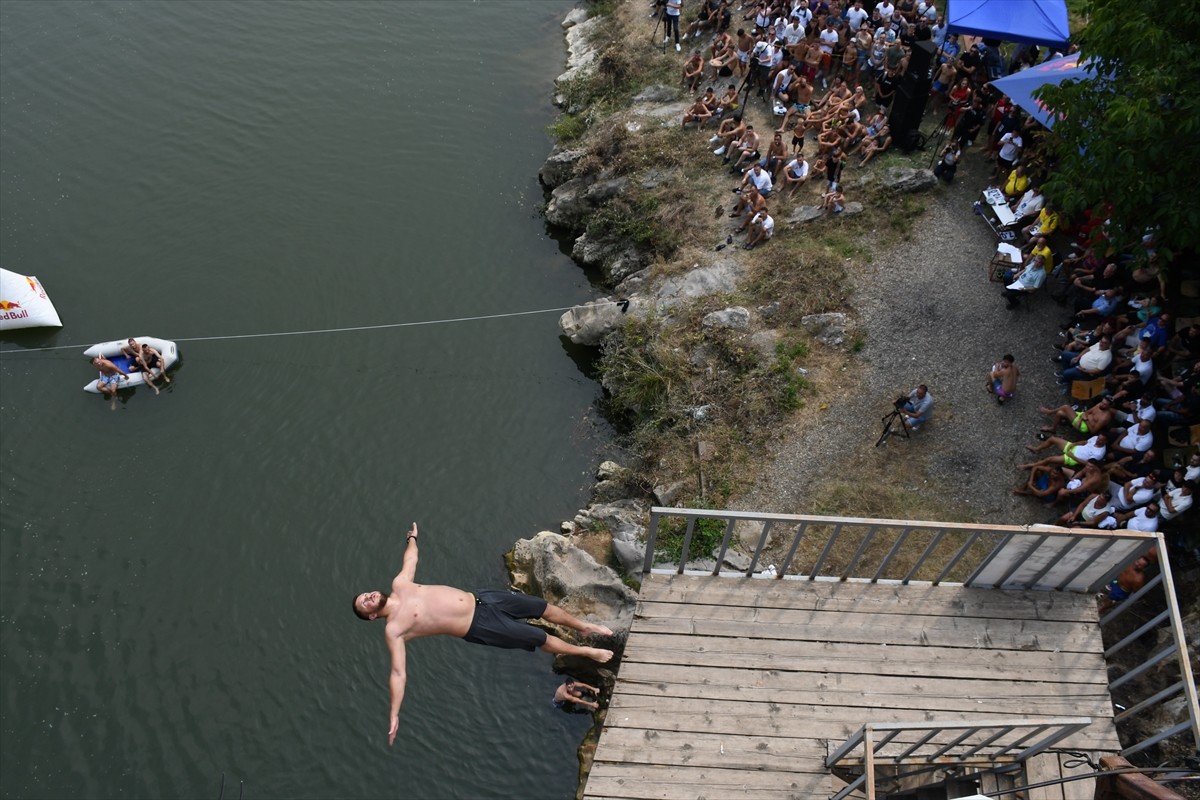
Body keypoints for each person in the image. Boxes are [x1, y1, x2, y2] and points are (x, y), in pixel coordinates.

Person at [353, 523, 614, 745]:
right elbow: (398, 673)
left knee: (542, 607)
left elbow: (411, 560)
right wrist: (394, 713)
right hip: (479, 626)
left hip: (481, 598)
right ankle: (586, 651)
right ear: (372, 616)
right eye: (365, 604)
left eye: (365, 595)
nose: (368, 597)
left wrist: (412, 538)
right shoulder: (394, 629)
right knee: (538, 638)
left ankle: (584, 627)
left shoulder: (399, 585)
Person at [1019, 433, 1107, 470]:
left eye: (1100, 440)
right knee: (1053, 439)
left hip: (1074, 458)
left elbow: (1087, 464)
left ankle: (1029, 466)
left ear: (1105, 442)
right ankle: (1036, 449)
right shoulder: (1095, 438)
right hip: (1075, 448)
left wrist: (1072, 456)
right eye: (1098, 438)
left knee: (1050, 459)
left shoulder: (1099, 453)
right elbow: (1085, 442)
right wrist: (1074, 444)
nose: (1098, 440)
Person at [1038, 395, 1114, 435]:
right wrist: (1082, 418)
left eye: (1105, 405)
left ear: (1109, 406)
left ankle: (1049, 412)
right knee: (1059, 413)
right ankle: (1053, 428)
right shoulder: (1099, 405)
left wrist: (1085, 419)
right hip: (1082, 418)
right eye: (1102, 402)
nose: (1102, 405)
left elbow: (1093, 431)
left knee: (1066, 407)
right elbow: (1087, 412)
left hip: (1084, 426)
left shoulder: (1104, 418)